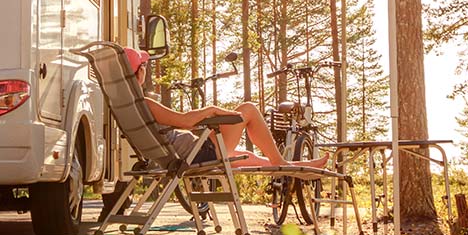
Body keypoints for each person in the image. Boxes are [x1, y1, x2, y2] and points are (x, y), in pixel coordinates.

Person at [124, 47, 329, 170]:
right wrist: (211, 109)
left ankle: (292, 165)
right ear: (139, 73)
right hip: (198, 154)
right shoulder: (145, 103)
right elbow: (185, 121)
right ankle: (281, 163)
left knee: (248, 157)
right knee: (248, 109)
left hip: (186, 154)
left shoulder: (130, 106)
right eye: (143, 67)